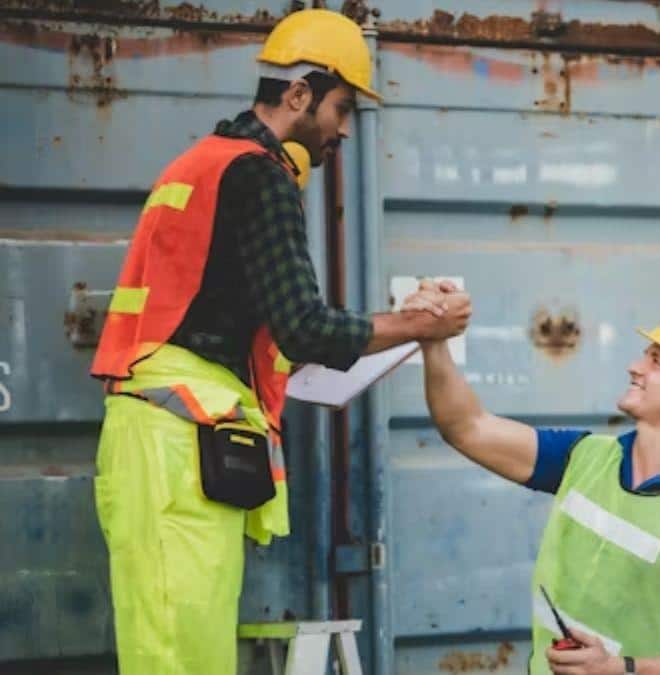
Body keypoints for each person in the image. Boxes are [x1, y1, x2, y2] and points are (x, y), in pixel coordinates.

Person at [89, 9, 469, 674]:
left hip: (161, 441)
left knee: (173, 651)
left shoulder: (203, 164)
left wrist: (385, 326)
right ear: (299, 95)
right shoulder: (258, 174)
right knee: (181, 659)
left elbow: (233, 324)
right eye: (342, 109)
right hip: (178, 447)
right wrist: (419, 325)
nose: (343, 132)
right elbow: (305, 327)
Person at [420, 304, 660, 675]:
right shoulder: (582, 458)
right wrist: (432, 341)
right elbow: (466, 427)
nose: (635, 367)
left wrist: (623, 669)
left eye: (656, 361)